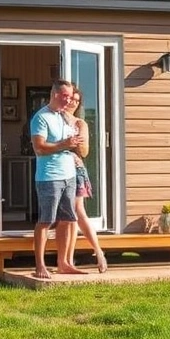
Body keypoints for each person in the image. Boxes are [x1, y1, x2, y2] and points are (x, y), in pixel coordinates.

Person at [29, 79, 87, 279]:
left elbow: (74, 145)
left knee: (66, 219)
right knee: (46, 220)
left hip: (69, 176)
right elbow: (39, 148)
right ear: (55, 94)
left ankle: (63, 264)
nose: (69, 101)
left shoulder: (64, 117)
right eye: (66, 96)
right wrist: (64, 144)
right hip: (49, 177)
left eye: (71, 97)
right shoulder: (41, 117)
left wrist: (76, 142)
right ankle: (40, 266)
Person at [63, 87, 108, 273]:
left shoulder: (80, 123)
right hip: (57, 170)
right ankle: (68, 260)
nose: (73, 102)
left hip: (76, 169)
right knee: (68, 217)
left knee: (77, 210)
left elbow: (85, 151)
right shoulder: (55, 118)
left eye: (76, 100)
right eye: (71, 98)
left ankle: (98, 252)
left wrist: (76, 142)